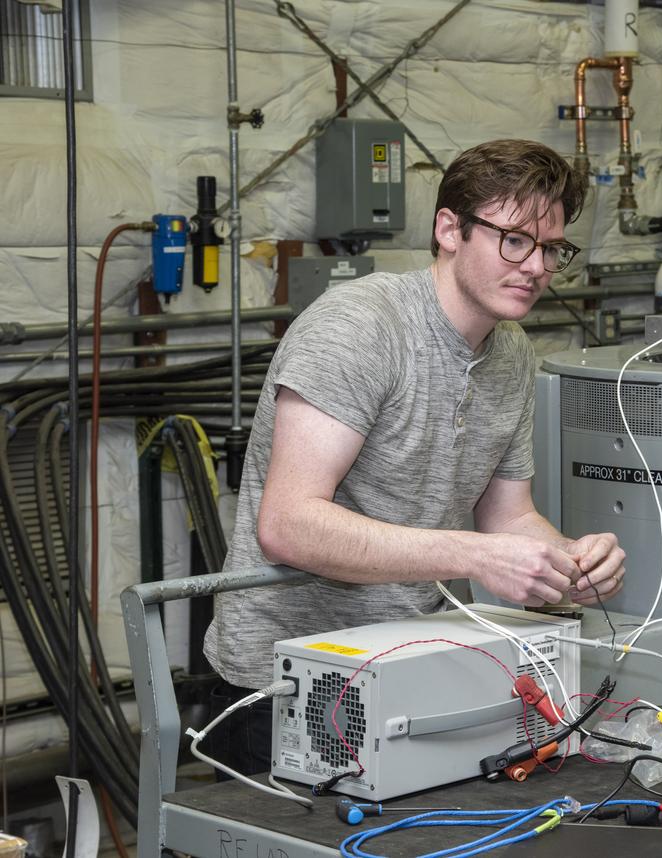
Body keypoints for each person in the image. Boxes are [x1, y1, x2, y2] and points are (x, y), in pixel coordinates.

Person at [203, 139, 626, 775]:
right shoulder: (359, 329)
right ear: (449, 228)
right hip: (287, 683)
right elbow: (288, 525)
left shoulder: (510, 352)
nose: (536, 266)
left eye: (551, 249)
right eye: (514, 240)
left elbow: (508, 517)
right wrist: (475, 555)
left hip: (415, 666)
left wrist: (563, 562)